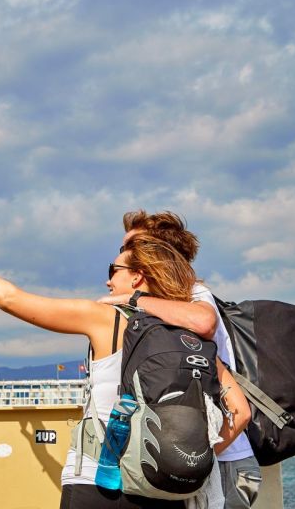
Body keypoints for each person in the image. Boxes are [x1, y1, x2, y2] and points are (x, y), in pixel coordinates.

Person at [0, 230, 249, 509]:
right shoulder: (188, 338)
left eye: (113, 271)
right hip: (164, 487)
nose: (107, 281)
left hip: (97, 483)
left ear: (137, 278)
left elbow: (11, 299)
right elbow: (241, 412)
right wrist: (180, 460)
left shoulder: (106, 318)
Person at [98, 211, 261, 509]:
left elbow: (203, 323)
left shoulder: (192, 293)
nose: (124, 255)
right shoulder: (167, 300)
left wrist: (133, 299)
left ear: (156, 252)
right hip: (189, 459)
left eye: (128, 248)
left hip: (222, 462)